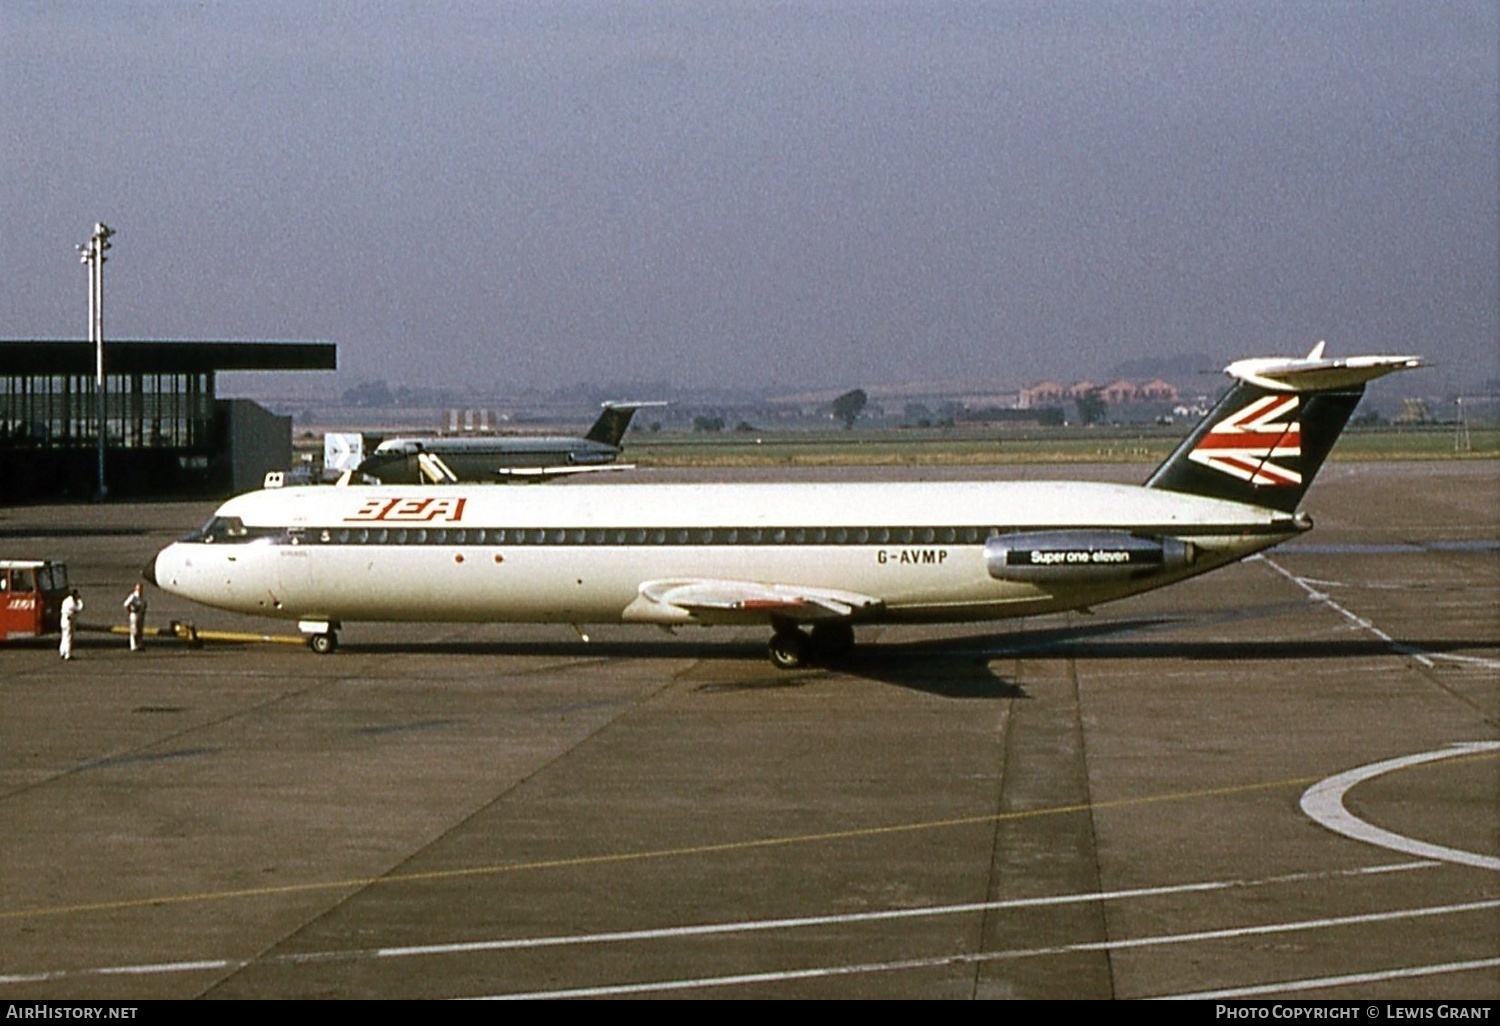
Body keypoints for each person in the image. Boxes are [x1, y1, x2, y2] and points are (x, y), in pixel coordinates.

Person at [123, 583, 147, 652]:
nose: (140, 590)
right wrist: (130, 610)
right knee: (134, 630)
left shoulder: (142, 597)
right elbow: (126, 604)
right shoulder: (133, 596)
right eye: (139, 588)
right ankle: (133, 646)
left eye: (141, 589)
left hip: (140, 614)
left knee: (140, 630)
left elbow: (144, 604)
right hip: (134, 614)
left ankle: (139, 644)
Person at [59, 589, 82, 660]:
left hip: (63, 619)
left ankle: (62, 652)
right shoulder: (72, 603)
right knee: (69, 637)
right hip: (68, 621)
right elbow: (79, 608)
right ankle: (67, 655)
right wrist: (79, 600)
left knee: (64, 636)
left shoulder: (66, 600)